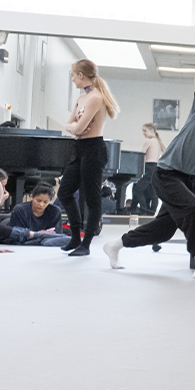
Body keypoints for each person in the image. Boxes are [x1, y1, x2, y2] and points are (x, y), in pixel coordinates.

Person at [102, 60, 195, 278]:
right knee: (193, 207)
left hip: (191, 180)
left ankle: (116, 245)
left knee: (162, 231)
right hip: (167, 173)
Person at [57, 59, 119, 256]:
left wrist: (76, 128)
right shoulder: (81, 98)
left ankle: (86, 243)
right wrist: (75, 127)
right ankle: (75, 236)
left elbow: (78, 127)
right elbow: (70, 124)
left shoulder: (95, 98)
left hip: (94, 149)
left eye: (74, 75)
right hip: (80, 148)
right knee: (64, 192)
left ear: (81, 75)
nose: (73, 79)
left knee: (92, 199)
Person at [7, 185, 73, 248]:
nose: (41, 205)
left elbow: (58, 236)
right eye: (38, 200)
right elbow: (17, 236)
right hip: (26, 243)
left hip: (45, 242)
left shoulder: (55, 211)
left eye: (45, 202)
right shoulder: (20, 210)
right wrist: (42, 234)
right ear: (31, 197)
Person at [133, 123, 165, 215]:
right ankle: (151, 212)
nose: (143, 133)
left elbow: (142, 156)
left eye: (145, 131)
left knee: (137, 190)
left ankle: (144, 210)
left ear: (151, 131)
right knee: (152, 192)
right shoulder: (158, 142)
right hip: (155, 167)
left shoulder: (148, 141)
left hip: (148, 167)